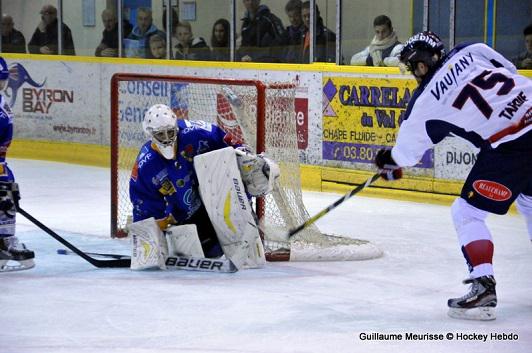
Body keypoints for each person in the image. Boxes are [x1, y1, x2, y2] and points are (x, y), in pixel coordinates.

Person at [374, 31, 532, 321]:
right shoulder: (472, 49)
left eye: (412, 69)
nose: (413, 75)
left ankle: (483, 287)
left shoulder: (424, 102)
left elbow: (407, 155)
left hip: (514, 145)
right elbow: (509, 71)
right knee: (529, 201)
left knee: (467, 212)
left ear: (421, 66)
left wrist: (389, 160)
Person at [129, 104, 278, 260]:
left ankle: (245, 221)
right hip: (188, 213)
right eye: (161, 135)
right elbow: (145, 207)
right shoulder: (145, 166)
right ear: (150, 135)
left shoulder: (195, 132)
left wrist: (246, 157)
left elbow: (228, 143)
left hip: (218, 196)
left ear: (176, 128)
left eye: (170, 132)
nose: (167, 139)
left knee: (247, 174)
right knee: (209, 251)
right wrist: (151, 242)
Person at [0, 57, 35, 272]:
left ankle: (4, 241)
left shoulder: (2, 106)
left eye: (2, 80)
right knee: (5, 189)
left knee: (7, 187)